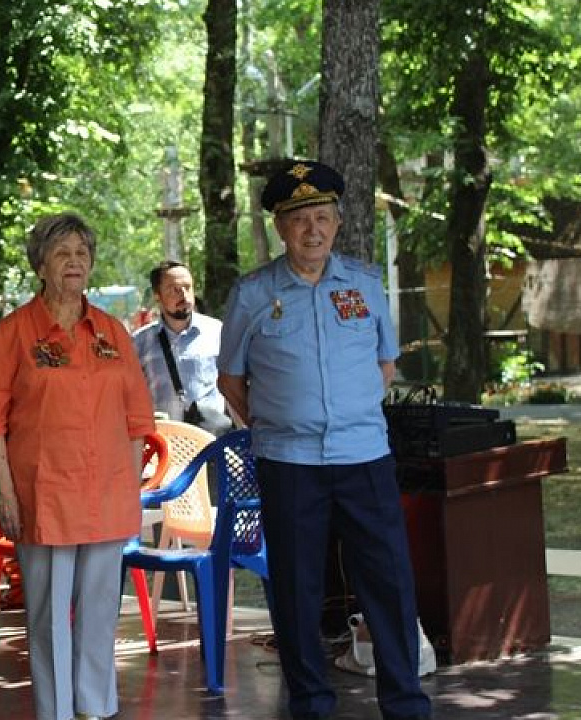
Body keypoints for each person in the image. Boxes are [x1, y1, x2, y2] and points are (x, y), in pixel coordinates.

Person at [216, 160, 433, 720]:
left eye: (322, 218)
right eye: (299, 220)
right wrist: (275, 424)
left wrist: (348, 412)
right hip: (289, 464)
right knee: (295, 590)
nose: (312, 230)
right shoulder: (252, 294)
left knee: (388, 585)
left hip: (365, 459)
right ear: (281, 229)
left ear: (337, 222)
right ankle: (311, 704)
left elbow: (385, 365)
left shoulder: (363, 283)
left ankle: (406, 703)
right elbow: (231, 379)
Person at [0, 212, 155, 720]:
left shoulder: (113, 331)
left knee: (99, 612)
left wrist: (128, 485)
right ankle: (53, 711)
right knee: (50, 616)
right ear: (40, 265)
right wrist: (7, 495)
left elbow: (139, 419)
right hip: (44, 494)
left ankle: (96, 707)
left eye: (82, 253)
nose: (74, 261)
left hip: (106, 495)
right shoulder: (14, 332)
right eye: (61, 253)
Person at [132, 260, 232, 436]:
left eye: (188, 287)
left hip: (211, 440)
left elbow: (235, 385)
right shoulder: (139, 343)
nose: (184, 296)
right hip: (164, 445)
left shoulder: (217, 332)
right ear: (157, 295)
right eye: (174, 290)